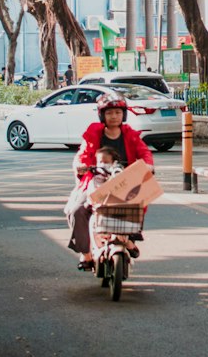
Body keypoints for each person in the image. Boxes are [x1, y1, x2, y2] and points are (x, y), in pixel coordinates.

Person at [66, 93, 154, 267]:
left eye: (117, 112)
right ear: (102, 115)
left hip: (124, 181)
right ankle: (86, 254)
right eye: (109, 113)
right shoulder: (93, 134)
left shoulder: (130, 134)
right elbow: (82, 154)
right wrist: (81, 165)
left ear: (124, 114)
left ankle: (128, 240)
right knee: (76, 210)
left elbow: (144, 153)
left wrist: (148, 166)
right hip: (96, 181)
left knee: (138, 203)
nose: (114, 116)